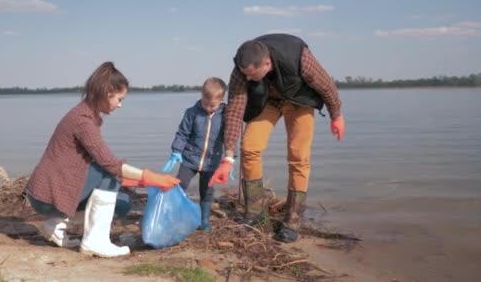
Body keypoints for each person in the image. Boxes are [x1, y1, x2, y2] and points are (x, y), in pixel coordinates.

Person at [24, 61, 180, 258]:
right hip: (48, 195)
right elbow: (110, 165)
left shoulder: (88, 114)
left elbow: (98, 164)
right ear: (108, 94)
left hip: (53, 190)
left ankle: (55, 225)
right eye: (120, 99)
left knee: (122, 203)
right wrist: (153, 178)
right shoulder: (83, 120)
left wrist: (138, 180)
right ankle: (95, 242)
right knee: (111, 177)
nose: (120, 105)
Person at [209, 33, 345, 243]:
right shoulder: (241, 69)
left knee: (298, 156)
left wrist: (336, 116)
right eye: (245, 74)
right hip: (268, 102)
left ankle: (292, 220)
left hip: (299, 101)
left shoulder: (299, 57)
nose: (248, 79)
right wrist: (228, 158)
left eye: (253, 75)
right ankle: (254, 211)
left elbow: (326, 85)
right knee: (249, 147)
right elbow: (235, 111)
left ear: (267, 62)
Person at [162, 77, 229, 232]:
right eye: (205, 103)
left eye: (212, 105)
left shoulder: (225, 115)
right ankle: (174, 215)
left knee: (207, 191)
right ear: (201, 96)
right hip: (190, 158)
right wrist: (176, 151)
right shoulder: (192, 113)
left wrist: (229, 159)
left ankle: (204, 219)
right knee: (180, 186)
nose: (208, 107)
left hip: (211, 161)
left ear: (221, 100)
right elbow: (182, 134)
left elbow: (230, 137)